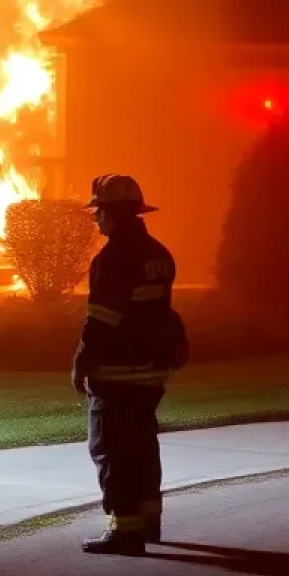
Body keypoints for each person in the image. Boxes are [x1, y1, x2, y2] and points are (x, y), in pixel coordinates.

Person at [71, 173, 184, 555]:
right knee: (142, 448)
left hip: (116, 374)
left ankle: (125, 531)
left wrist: (81, 363)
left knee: (112, 452)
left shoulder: (112, 259)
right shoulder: (158, 254)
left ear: (114, 213)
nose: (95, 218)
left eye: (99, 210)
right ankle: (150, 521)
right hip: (151, 372)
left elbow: (100, 320)